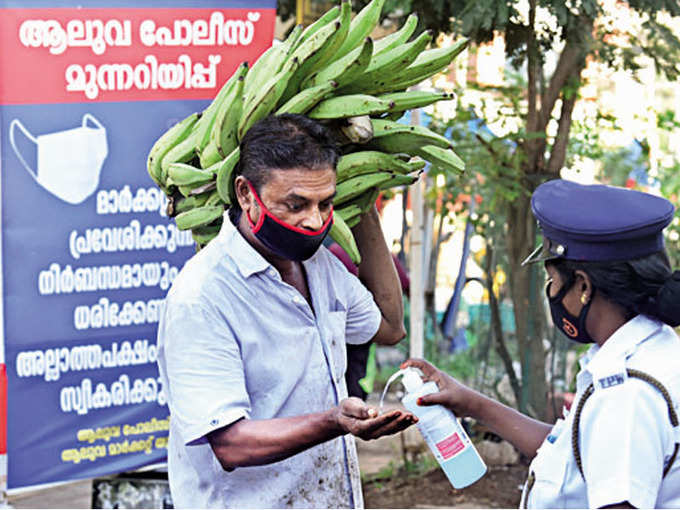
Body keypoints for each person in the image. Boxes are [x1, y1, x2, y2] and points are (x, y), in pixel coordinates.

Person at [157, 114, 417, 509]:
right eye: (295, 204)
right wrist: (333, 422)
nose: (313, 221)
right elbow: (230, 444)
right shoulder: (202, 296)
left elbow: (389, 326)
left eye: (325, 202)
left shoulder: (322, 267)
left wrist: (366, 206)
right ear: (246, 194)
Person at [404, 179, 680, 508]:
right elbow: (570, 450)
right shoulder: (654, 350)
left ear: (582, 287)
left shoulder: (626, 392)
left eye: (552, 280)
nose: (550, 292)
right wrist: (470, 403)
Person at [328, 241, 410, 399]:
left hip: (340, 325)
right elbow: (406, 285)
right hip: (362, 327)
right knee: (358, 373)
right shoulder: (379, 255)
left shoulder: (333, 252)